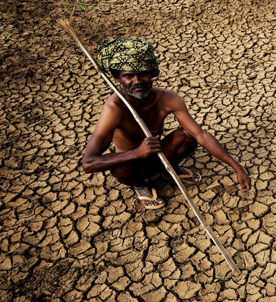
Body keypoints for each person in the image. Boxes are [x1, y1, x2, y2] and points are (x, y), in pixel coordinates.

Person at [82, 38, 251, 209]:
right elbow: (88, 163)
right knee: (120, 167)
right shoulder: (114, 108)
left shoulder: (167, 98)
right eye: (128, 76)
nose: (137, 81)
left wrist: (236, 167)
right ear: (117, 79)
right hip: (134, 165)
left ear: (152, 73)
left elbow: (201, 135)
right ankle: (140, 185)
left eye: (143, 73)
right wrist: (137, 153)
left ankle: (167, 170)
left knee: (188, 135)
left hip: (159, 154)